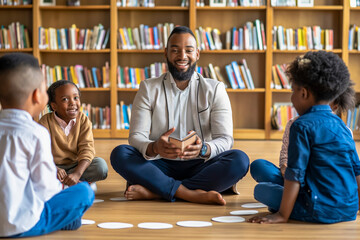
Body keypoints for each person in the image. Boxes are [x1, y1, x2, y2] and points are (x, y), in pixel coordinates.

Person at [110, 26, 249, 205]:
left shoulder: (215, 89)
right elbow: (136, 136)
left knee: (239, 160)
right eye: (175, 50)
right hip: (160, 164)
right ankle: (191, 193)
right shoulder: (148, 88)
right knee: (120, 153)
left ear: (197, 54)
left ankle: (158, 191)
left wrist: (204, 149)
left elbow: (225, 139)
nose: (182, 56)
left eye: (188, 50)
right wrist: (154, 148)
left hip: (200, 164)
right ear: (166, 53)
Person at [248, 51, 360, 224]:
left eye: (293, 91)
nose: (291, 98)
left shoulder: (301, 126)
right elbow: (357, 170)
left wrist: (282, 215)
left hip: (316, 209)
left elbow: (295, 174)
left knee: (261, 191)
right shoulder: (342, 127)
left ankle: (289, 208)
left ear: (304, 93)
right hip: (349, 209)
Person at [0, 53, 94, 238]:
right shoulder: (36, 132)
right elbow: (46, 190)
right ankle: (65, 219)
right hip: (22, 225)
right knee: (84, 192)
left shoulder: (81, 121)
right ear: (37, 96)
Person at [250, 85, 355, 187]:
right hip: (295, 179)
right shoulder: (294, 123)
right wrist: (285, 169)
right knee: (259, 166)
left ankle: (290, 198)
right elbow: (285, 158)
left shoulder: (343, 131)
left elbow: (345, 169)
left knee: (263, 192)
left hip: (322, 186)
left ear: (334, 107)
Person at [39, 80, 108, 188]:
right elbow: (40, 152)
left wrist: (77, 173)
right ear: (54, 106)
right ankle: (77, 183)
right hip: (53, 166)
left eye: (76, 98)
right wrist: (54, 168)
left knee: (101, 167)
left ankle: (67, 182)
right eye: (65, 99)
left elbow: (87, 149)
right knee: (38, 169)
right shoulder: (45, 122)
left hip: (76, 165)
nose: (72, 103)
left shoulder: (83, 120)